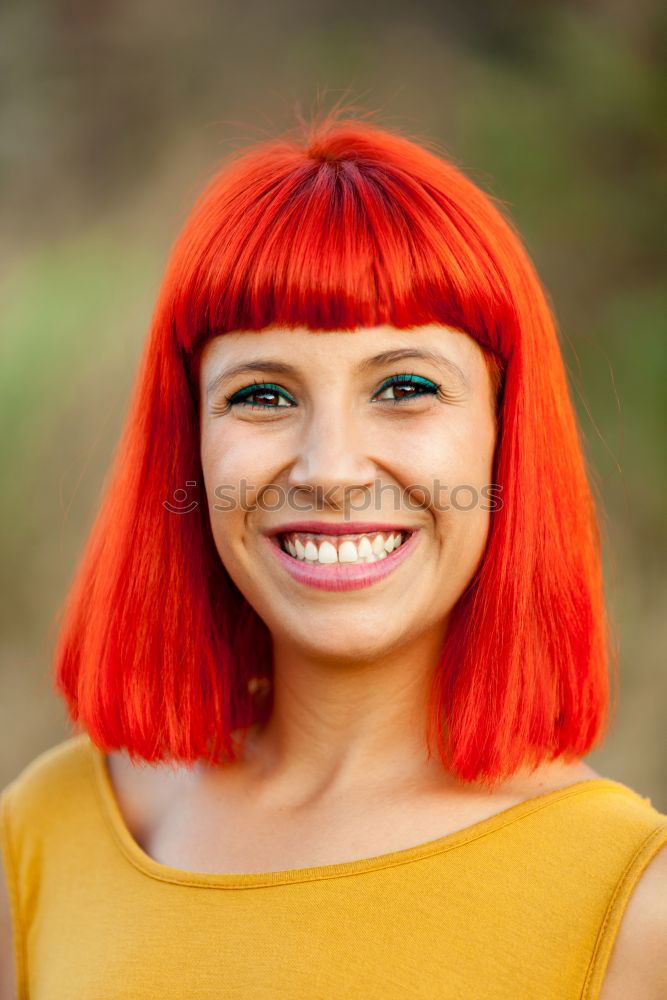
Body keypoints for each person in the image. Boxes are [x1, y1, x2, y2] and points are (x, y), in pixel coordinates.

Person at [1, 112, 665, 1000]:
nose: (331, 472)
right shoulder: (47, 834)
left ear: (507, 436)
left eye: (406, 387)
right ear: (188, 441)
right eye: (263, 394)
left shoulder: (632, 908)